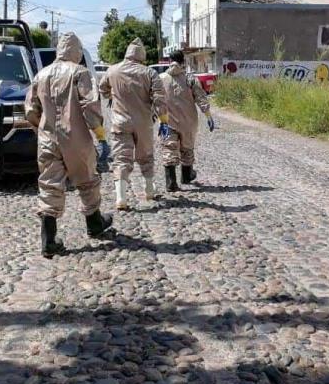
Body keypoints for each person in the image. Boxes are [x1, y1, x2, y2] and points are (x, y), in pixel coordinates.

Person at [26, 32, 113, 258]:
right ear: (76, 51)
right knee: (87, 179)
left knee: (49, 184)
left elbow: (30, 110)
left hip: (48, 137)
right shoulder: (79, 72)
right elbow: (90, 107)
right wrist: (101, 136)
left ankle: (49, 239)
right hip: (75, 137)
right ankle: (94, 223)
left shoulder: (41, 75)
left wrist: (41, 128)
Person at [99, 38, 170, 210]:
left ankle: (121, 197)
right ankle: (149, 189)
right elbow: (159, 98)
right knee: (146, 156)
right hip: (143, 121)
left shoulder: (112, 70)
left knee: (121, 158)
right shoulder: (149, 73)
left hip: (120, 121)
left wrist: (113, 97)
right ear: (141, 55)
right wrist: (164, 120)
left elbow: (103, 89)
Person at [159, 50, 214, 191]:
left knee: (169, 149)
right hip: (188, 122)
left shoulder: (160, 78)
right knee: (187, 149)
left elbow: (154, 99)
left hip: (167, 121)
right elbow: (201, 98)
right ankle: (187, 176)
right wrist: (208, 116)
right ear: (183, 61)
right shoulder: (190, 79)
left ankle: (171, 182)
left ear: (169, 60)